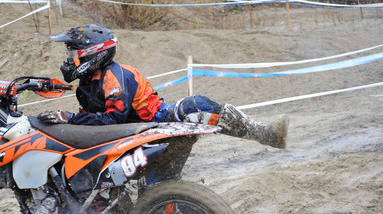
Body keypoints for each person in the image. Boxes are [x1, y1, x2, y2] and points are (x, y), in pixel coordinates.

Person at [38, 24, 289, 149]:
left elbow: (112, 119)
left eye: (73, 54)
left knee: (195, 106)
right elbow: (92, 121)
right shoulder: (86, 86)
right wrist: (67, 123)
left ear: (92, 53)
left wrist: (69, 118)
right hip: (126, 136)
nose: (69, 60)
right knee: (154, 193)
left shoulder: (115, 75)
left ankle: (265, 134)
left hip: (157, 121)